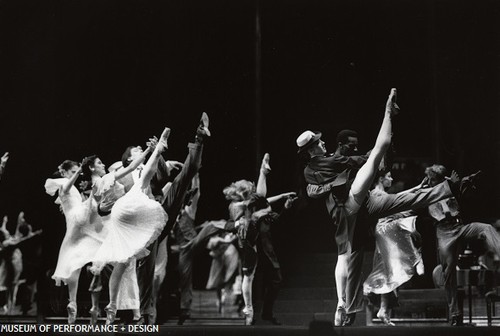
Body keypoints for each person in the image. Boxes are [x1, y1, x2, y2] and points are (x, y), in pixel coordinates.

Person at [297, 88, 457, 326]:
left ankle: (345, 306)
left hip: (360, 205)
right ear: (312, 149)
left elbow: (316, 188)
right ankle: (343, 304)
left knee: (353, 255)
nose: (322, 143)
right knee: (346, 255)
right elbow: (364, 160)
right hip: (348, 205)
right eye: (319, 142)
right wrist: (372, 154)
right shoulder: (328, 160)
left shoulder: (312, 168)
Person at [84, 127, 170, 324]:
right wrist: (151, 151)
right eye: (99, 163)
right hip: (125, 209)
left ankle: (112, 306)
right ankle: (160, 148)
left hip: (119, 218)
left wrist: (102, 209)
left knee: (123, 262)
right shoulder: (110, 176)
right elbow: (131, 168)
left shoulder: (96, 183)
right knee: (142, 184)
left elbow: (97, 208)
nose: (103, 164)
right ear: (91, 168)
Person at [423, 165, 500, 326]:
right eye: (429, 179)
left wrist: (465, 184)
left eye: (433, 179)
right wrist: (455, 185)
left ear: (441, 179)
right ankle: (455, 315)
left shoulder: (450, 186)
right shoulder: (429, 191)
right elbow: (437, 197)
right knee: (448, 271)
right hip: (444, 232)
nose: (430, 182)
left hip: (459, 227)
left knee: (486, 228)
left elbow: (464, 199)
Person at [44, 160, 104, 324]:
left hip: (74, 225)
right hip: (79, 218)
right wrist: (78, 174)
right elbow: (67, 188)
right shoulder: (63, 182)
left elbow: (68, 198)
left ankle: (73, 302)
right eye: (72, 172)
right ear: (64, 172)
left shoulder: (71, 188)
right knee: (99, 249)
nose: (75, 175)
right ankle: (94, 304)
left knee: (74, 262)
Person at [363, 170, 425, 326]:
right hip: (386, 230)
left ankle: (383, 309)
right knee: (406, 225)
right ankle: (416, 259)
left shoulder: (382, 194)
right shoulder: (376, 193)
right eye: (389, 177)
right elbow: (397, 199)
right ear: (381, 179)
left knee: (387, 271)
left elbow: (398, 197)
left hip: (386, 229)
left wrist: (417, 188)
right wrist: (416, 191)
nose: (391, 179)